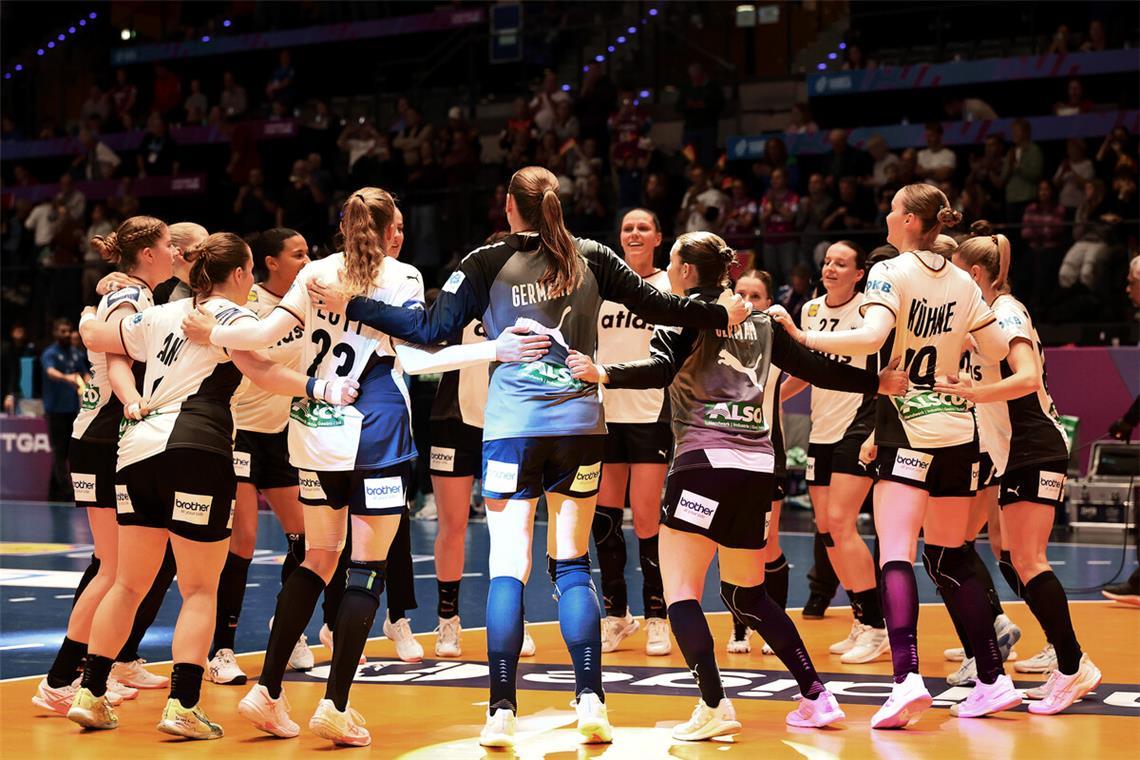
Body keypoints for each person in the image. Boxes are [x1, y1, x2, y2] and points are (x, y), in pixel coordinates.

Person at [306, 166, 751, 747]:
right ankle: (591, 698)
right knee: (571, 564)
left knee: (507, 567)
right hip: (583, 428)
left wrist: (354, 304)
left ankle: (501, 710)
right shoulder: (591, 254)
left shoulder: (485, 261)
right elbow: (660, 304)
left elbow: (431, 329)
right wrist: (721, 313)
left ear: (509, 209)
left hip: (513, 432)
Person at [179, 189, 545, 746]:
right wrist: (493, 350)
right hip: (374, 428)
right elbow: (420, 356)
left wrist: (214, 332)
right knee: (367, 568)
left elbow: (257, 337)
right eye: (396, 225)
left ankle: (268, 690)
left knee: (317, 557)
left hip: (312, 427)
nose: (400, 234)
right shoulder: (400, 277)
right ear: (387, 231)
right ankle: (336, 704)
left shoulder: (316, 272)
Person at [566, 231, 908, 740]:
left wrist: (602, 373)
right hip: (756, 469)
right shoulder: (761, 321)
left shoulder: (684, 314)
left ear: (683, 272)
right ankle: (816, 694)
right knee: (747, 595)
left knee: (681, 591)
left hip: (703, 463)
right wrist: (874, 382)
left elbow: (660, 370)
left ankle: (713, 705)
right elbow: (815, 366)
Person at [68, 232, 355, 739]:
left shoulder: (159, 314)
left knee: (129, 582)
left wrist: (95, 309)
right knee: (200, 588)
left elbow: (101, 340)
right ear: (244, 274)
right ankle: (182, 705)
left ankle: (90, 693)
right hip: (196, 449)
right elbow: (262, 360)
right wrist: (320, 387)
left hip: (135, 450)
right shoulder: (234, 315)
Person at [771, 183, 1020, 727]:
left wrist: (804, 337)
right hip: (957, 429)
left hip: (906, 428)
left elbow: (869, 337)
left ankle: (906, 680)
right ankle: (993, 678)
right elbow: (999, 350)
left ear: (910, 220)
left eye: (892, 210)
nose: (885, 216)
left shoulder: (892, 272)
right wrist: (955, 364)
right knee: (952, 557)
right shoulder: (961, 278)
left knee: (897, 555)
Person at [935, 233, 1102, 714]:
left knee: (1029, 560)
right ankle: (1067, 662)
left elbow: (1027, 377)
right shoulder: (984, 317)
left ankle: (1072, 666)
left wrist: (974, 394)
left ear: (974, 275)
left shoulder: (1005, 310)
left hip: (1034, 446)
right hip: (1013, 452)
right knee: (1017, 557)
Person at [33, 217, 176, 717]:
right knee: (114, 569)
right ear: (149, 254)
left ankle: (86, 671)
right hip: (105, 436)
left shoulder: (136, 294)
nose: (176, 252)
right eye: (169, 245)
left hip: (101, 436)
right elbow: (110, 353)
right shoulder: (126, 298)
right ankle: (61, 680)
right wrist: (136, 400)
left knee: (113, 567)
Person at [206, 228, 314, 686]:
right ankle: (221, 649)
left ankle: (284, 628)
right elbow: (260, 353)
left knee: (306, 539)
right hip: (240, 434)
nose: (308, 261)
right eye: (298, 254)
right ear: (269, 262)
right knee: (243, 540)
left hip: (281, 434)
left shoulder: (305, 301)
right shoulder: (246, 307)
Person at [426, 231, 538, 660]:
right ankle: (447, 621)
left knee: (509, 530)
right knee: (452, 525)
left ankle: (513, 619)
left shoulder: (531, 307)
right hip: (453, 421)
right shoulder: (462, 298)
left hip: (509, 425)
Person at [780, 241, 889, 664]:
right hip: (821, 429)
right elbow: (807, 371)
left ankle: (877, 625)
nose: (830, 268)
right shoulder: (809, 310)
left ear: (859, 273)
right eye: (827, 261)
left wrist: (878, 429)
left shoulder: (871, 312)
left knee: (842, 523)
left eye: (841, 263)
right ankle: (862, 620)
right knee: (827, 530)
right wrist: (769, 396)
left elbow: (884, 369)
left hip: (858, 423)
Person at [592, 209, 674, 656]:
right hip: (607, 414)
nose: (636, 233)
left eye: (644, 227)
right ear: (619, 238)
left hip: (650, 414)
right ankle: (616, 614)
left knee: (646, 518)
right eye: (627, 228)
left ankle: (657, 615)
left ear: (658, 237)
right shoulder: (603, 288)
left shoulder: (666, 288)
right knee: (604, 519)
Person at [727, 269, 792, 655]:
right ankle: (739, 627)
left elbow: (807, 369)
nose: (748, 300)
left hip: (766, 451)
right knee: (733, 543)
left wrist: (778, 393)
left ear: (768, 302)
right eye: (741, 292)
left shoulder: (774, 338)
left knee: (766, 543)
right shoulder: (718, 333)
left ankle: (774, 623)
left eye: (756, 295)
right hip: (724, 450)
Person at [42, 319, 90, 502]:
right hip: (55, 410)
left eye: (69, 331)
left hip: (72, 408)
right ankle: (66, 491)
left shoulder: (75, 353)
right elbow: (50, 372)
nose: (66, 334)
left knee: (68, 451)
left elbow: (84, 372)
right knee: (59, 451)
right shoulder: (50, 353)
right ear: (55, 333)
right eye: (62, 331)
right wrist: (66, 377)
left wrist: (89, 383)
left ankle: (54, 492)